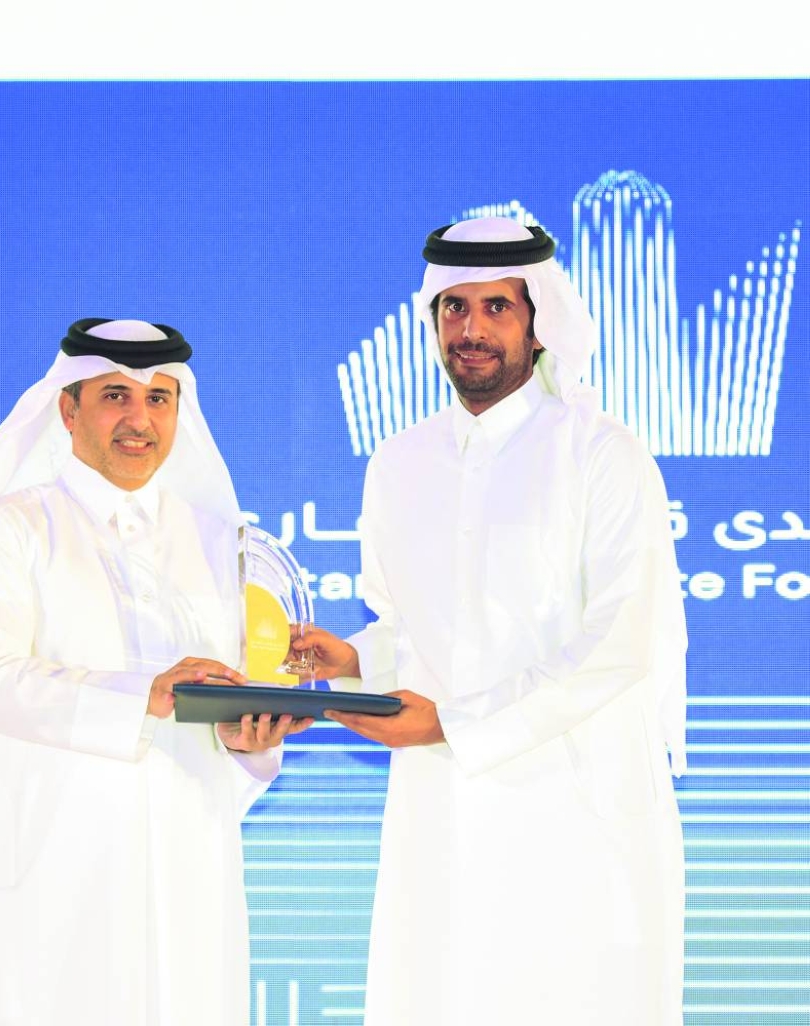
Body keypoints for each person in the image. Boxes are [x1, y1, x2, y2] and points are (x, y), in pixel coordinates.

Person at [295, 218, 688, 1025]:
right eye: (452, 308)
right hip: (442, 817)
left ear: (538, 323)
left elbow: (619, 645)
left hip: (576, 814)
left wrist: (454, 725)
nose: (470, 330)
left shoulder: (602, 455)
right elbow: (418, 629)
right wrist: (353, 658)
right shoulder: (398, 464)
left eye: (496, 308)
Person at [0, 318, 310, 1026]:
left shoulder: (217, 542)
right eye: (115, 395)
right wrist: (141, 697)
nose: (138, 420)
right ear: (68, 409)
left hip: (187, 879)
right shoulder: (2, 530)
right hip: (52, 881)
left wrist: (251, 741)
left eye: (159, 400)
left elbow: (221, 723)